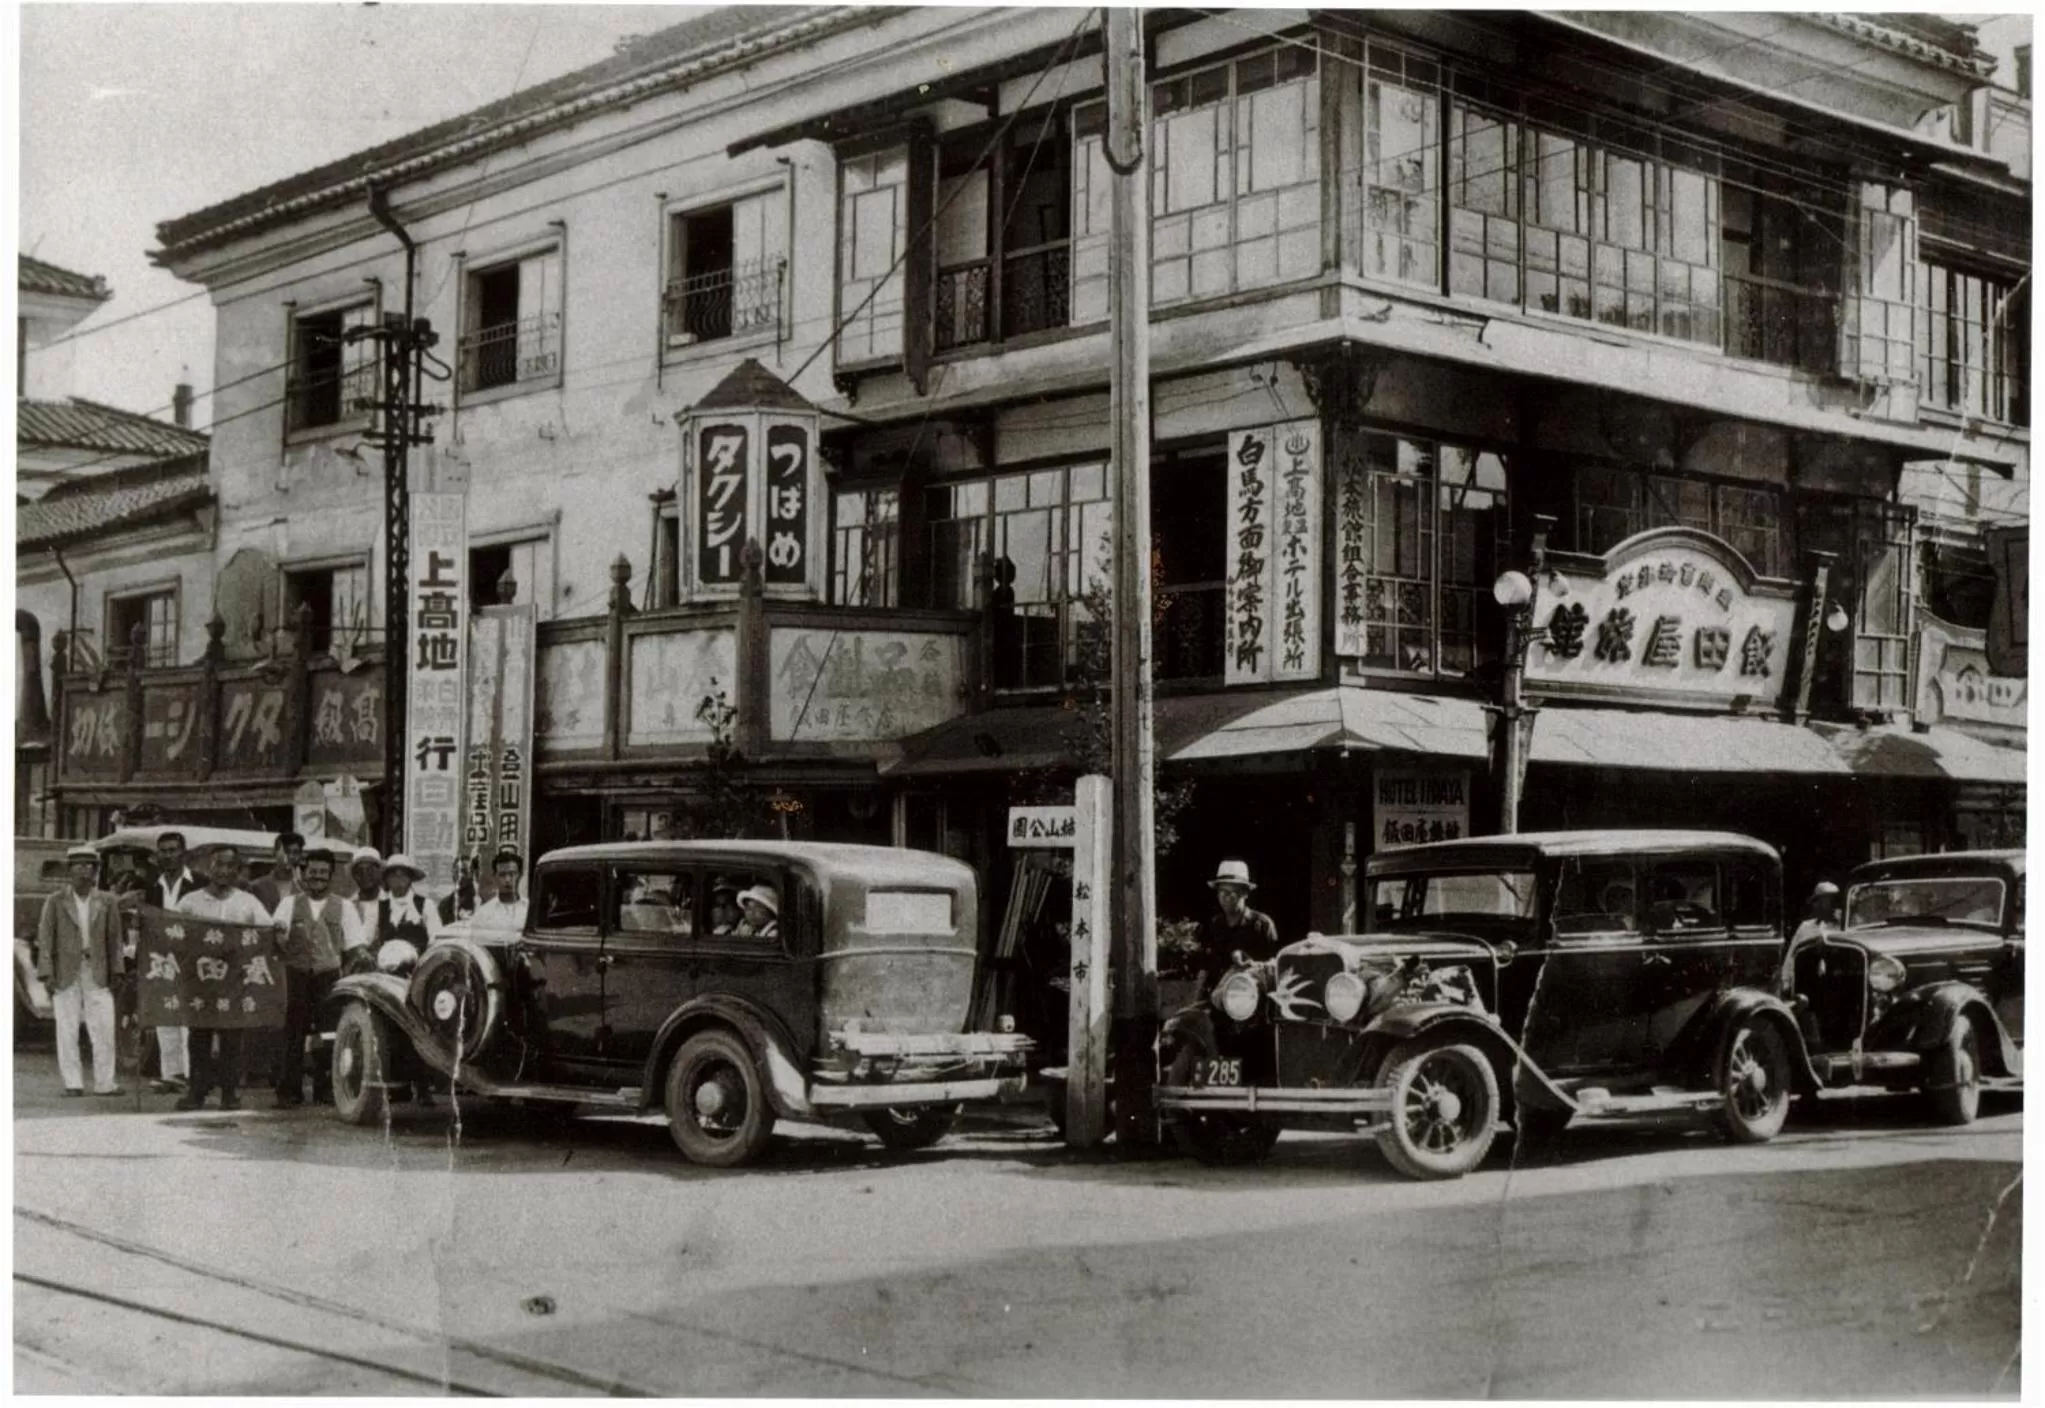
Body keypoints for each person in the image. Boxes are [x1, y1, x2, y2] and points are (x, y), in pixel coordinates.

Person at [173, 843, 282, 1111]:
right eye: (217, 864)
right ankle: (196, 1091)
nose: (223, 871)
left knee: (233, 1039)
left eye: (229, 866)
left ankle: (230, 1093)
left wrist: (278, 930)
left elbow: (267, 932)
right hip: (199, 983)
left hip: (234, 984)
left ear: (237, 870)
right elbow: (172, 932)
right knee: (198, 1037)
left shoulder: (248, 902)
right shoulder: (190, 902)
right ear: (208, 867)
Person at [37, 845, 125, 1097]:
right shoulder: (55, 901)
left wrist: (117, 971)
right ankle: (73, 1083)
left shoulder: (107, 901)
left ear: (97, 871)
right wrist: (47, 973)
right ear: (69, 870)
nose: (84, 871)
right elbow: (46, 938)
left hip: (96, 969)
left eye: (90, 866)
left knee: (104, 1027)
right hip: (65, 971)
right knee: (67, 1028)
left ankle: (105, 1083)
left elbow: (115, 939)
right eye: (79, 865)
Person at [270, 848, 347, 1107]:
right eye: (313, 872)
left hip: (329, 976)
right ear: (304, 873)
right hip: (296, 974)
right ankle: (288, 1091)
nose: (318, 877)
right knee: (293, 1033)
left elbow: (356, 946)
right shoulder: (289, 903)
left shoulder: (344, 905)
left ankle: (325, 1090)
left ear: (331, 876)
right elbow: (276, 937)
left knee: (328, 1035)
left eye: (323, 872)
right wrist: (280, 935)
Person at [145, 830, 199, 1094]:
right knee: (165, 1016)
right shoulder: (151, 888)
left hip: (192, 960)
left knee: (189, 1019)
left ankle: (193, 1075)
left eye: (172, 850)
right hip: (162, 960)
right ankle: (172, 1073)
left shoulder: (199, 883)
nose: (168, 855)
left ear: (183, 853)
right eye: (163, 851)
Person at [1193, 859, 1281, 998]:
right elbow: (1204, 968)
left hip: (1249, 1002)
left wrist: (1250, 965)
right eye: (1223, 892)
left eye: (1234, 892)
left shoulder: (1262, 924)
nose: (1227, 897)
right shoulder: (1213, 925)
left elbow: (1275, 967)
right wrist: (1194, 1002)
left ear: (1245, 894)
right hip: (1216, 1000)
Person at [373, 854, 444, 951]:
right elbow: (368, 937)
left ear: (410, 878)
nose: (399, 880)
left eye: (403, 875)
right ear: (387, 879)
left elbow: (436, 938)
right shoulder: (379, 907)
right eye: (394, 875)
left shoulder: (426, 905)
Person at [340, 847, 386, 969]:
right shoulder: (346, 905)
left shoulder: (390, 903)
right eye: (359, 872)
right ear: (354, 876)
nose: (365, 875)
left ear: (380, 873)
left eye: (370, 870)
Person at [468, 848, 528, 930]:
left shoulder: (530, 910)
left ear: (520, 875)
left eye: (512, 874)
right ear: (495, 877)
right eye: (502, 875)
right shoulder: (484, 913)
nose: (507, 879)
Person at [250, 832, 305, 913]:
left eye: (295, 852)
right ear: (274, 853)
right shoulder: (256, 886)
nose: (291, 856)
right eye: (286, 851)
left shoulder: (305, 888)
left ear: (300, 856)